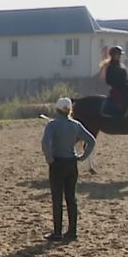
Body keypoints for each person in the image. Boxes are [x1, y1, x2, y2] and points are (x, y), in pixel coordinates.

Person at [41, 97, 96, 241]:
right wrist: (83, 157)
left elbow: (45, 143)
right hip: (72, 163)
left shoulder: (52, 125)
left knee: (57, 198)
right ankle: (72, 231)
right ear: (69, 110)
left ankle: (57, 232)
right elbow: (91, 140)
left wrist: (49, 158)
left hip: (58, 163)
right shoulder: (76, 125)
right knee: (71, 198)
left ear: (57, 109)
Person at [100, 46, 128, 117]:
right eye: (118, 55)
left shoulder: (121, 66)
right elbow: (108, 80)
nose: (119, 56)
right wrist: (120, 84)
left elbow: (125, 79)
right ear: (113, 55)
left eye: (120, 55)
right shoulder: (110, 67)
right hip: (117, 90)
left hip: (125, 88)